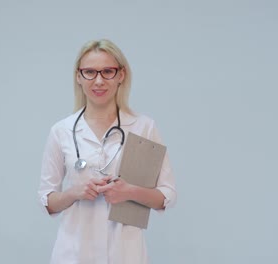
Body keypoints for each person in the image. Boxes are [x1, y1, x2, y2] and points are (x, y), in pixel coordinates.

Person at [38, 39, 177, 264]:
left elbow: (166, 196)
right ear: (78, 76)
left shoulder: (144, 127)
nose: (99, 81)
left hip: (126, 254)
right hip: (74, 253)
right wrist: (75, 192)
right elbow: (48, 200)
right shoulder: (61, 131)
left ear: (121, 75)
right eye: (90, 72)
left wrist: (129, 191)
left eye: (108, 72)